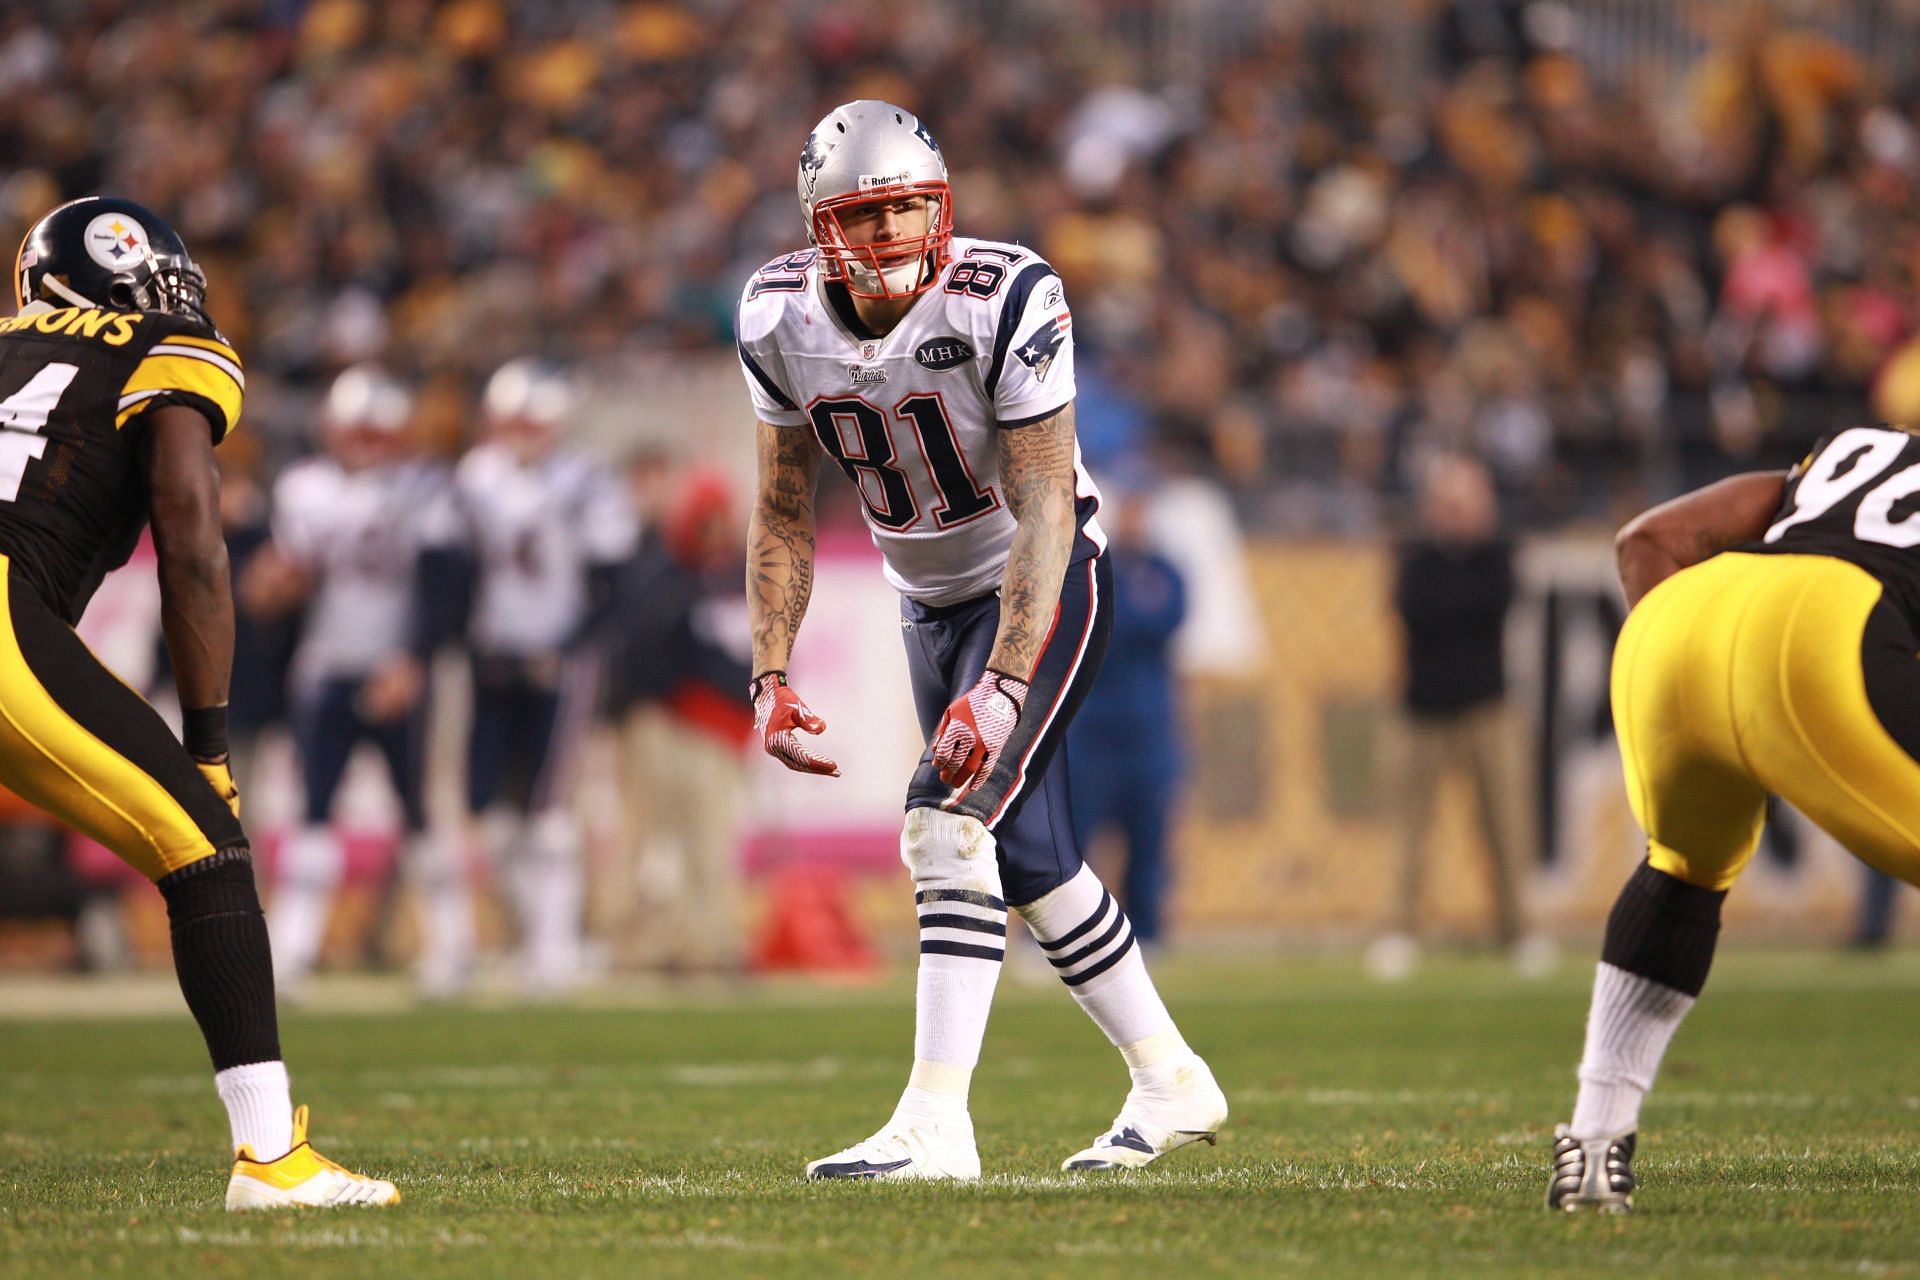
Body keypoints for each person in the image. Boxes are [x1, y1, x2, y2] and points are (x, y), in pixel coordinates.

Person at [738, 100, 1226, 1180]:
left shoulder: (1005, 291)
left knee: (947, 821)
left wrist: (1003, 686)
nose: (898, 233)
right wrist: (769, 670)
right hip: (927, 602)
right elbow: (781, 506)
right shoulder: (777, 316)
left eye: (914, 206)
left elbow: (1047, 498)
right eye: (869, 217)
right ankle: (1172, 1074)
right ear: (823, 226)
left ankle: (934, 1121)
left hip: (1042, 584)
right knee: (1037, 864)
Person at [1, 196, 396, 1207]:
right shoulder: (166, 342)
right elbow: (188, 527)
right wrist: (208, 738)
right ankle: (269, 1157)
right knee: (204, 847)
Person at [1548, 423, 1920, 1211]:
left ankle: (1593, 1143)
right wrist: (1788, 708)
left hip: (1674, 629)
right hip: (1820, 629)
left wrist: (1727, 709)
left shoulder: (1851, 451)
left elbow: (1648, 539)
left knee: (1682, 871)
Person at [244, 365, 472, 998]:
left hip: (391, 666)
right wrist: (272, 589)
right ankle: (293, 950)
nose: (365, 442)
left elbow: (443, 586)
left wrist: (411, 660)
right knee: (313, 809)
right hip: (325, 664)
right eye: (356, 429)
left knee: (420, 812)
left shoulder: (424, 488)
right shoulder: (303, 488)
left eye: (376, 431)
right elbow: (278, 586)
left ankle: (452, 948)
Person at [454, 357, 637, 994]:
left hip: (561, 660)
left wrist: (571, 646)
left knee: (550, 811)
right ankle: (537, 937)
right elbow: (454, 575)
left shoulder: (585, 481)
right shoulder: (476, 478)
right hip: (492, 657)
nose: (522, 430)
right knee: (493, 813)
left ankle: (555, 950)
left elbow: (614, 583)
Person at [1378, 452, 1532, 976]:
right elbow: (1420, 613)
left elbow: (1490, 608)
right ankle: (1403, 931)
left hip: (1488, 711)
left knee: (1506, 828)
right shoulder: (1415, 560)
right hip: (1421, 713)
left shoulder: (1499, 556)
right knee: (1409, 834)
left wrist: (1456, 606)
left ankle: (1518, 932)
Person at [1066, 486, 1187, 947]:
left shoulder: (1166, 570)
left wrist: (1123, 620)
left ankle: (1148, 933)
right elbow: (1097, 622)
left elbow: (1160, 620)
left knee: (1148, 837)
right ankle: (1066, 936)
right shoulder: (1095, 564)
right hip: (1092, 727)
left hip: (1149, 731)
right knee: (1076, 836)